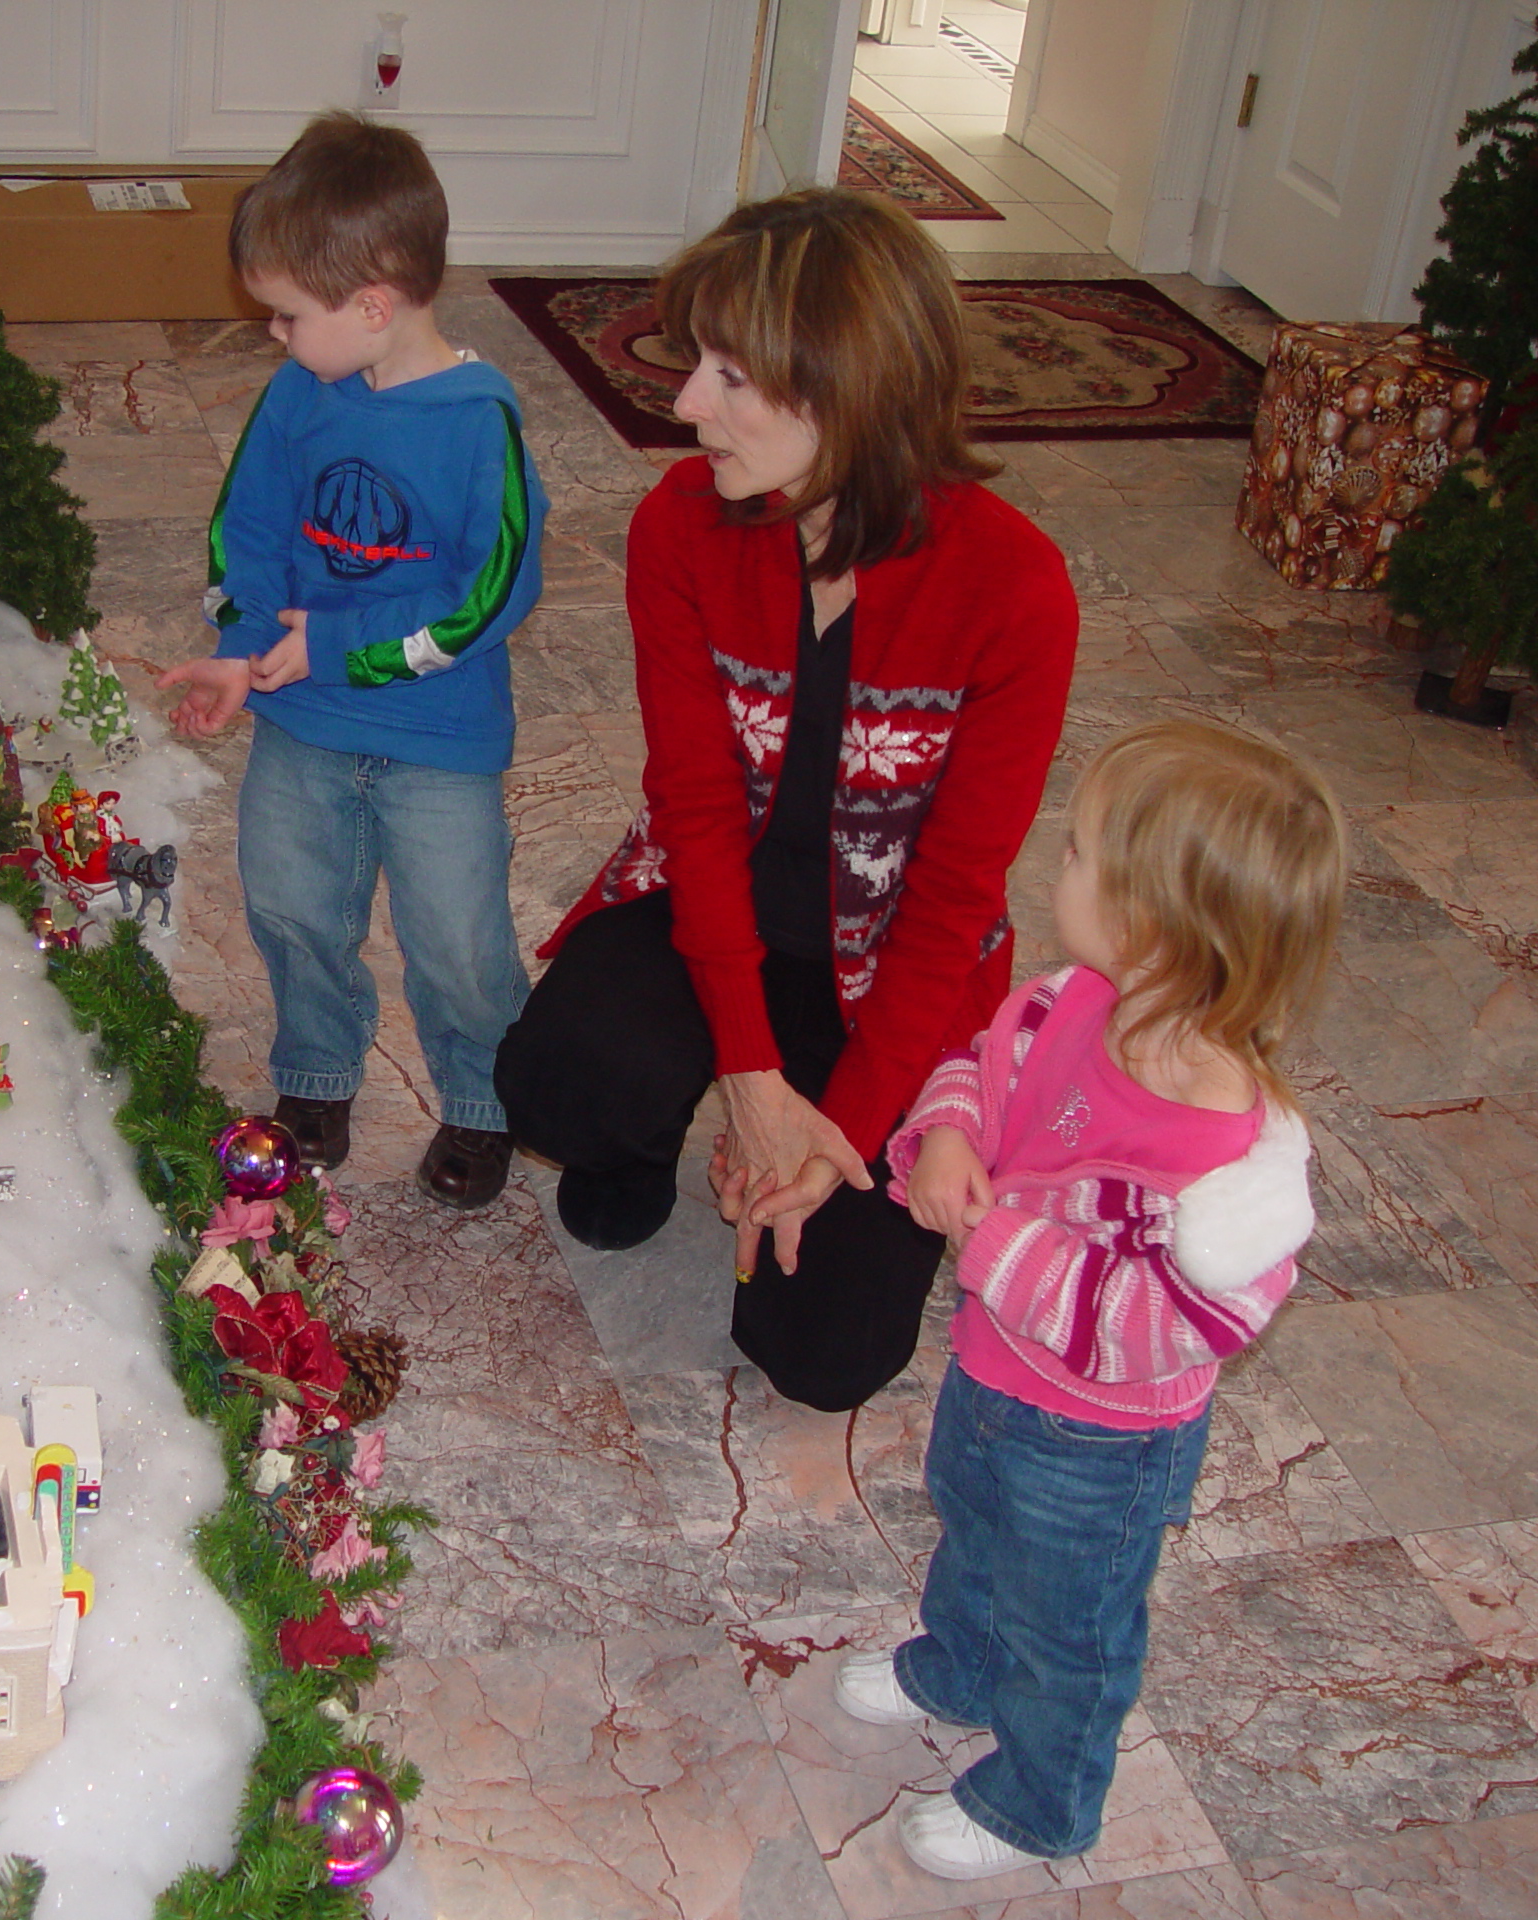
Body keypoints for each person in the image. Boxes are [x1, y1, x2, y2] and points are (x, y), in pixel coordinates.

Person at [495, 188, 1077, 1411]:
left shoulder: (1013, 589)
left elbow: (955, 900)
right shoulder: (681, 529)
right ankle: (655, 1133)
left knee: (823, 1360)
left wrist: (836, 1137)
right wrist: (756, 1090)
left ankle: (785, 1148)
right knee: (560, 1083)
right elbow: (696, 813)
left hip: (892, 969)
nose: (684, 402)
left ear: (846, 391)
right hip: (711, 911)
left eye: (730, 376)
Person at [838, 719, 1345, 1882]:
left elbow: (1154, 1323)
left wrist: (992, 1239)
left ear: (1159, 925)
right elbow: (981, 1065)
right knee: (971, 1527)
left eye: (1076, 855)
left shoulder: (1229, 1164)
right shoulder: (1069, 1003)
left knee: (1069, 1625)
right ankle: (959, 1667)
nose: (1051, 867)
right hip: (992, 1373)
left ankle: (1039, 1799)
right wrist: (951, 1132)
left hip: (1103, 1445)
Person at [156, 111, 547, 1210]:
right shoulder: (303, 392)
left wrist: (323, 644)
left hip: (436, 742)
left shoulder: (480, 423)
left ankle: (479, 1097)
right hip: (303, 726)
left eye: (285, 315)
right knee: (288, 902)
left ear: (372, 305)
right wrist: (244, 653)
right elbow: (251, 531)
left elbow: (485, 591)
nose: (274, 337)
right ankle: (317, 1074)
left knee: (457, 938)